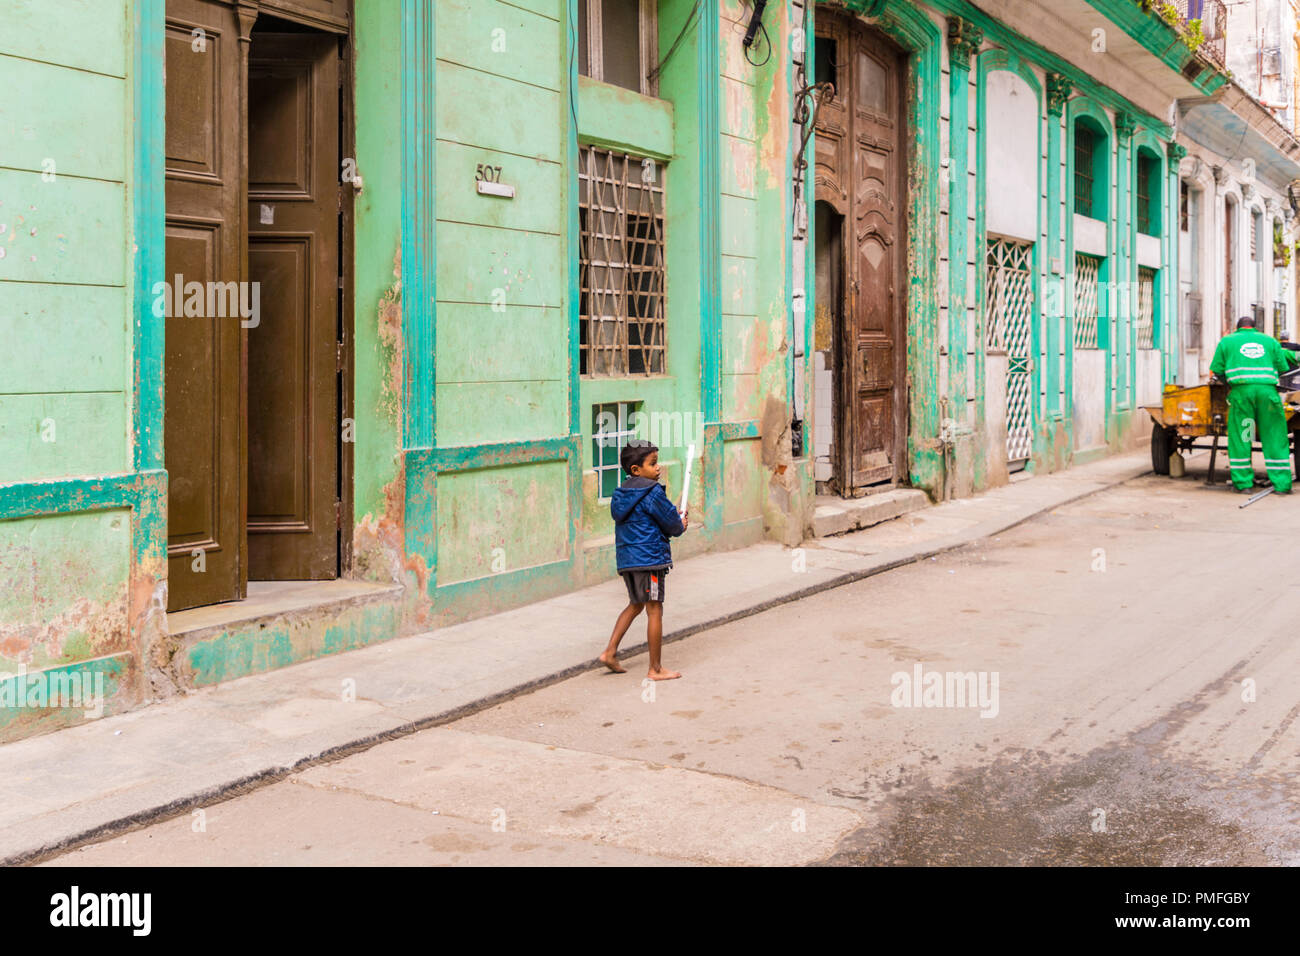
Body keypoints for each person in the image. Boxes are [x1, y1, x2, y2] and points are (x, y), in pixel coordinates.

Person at [598, 439, 688, 680]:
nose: (658, 468)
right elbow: (673, 526)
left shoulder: (621, 495)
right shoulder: (652, 492)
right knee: (655, 609)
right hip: (650, 560)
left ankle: (609, 652)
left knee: (636, 604)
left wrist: (674, 521)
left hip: (628, 560)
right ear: (636, 470)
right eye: (653, 464)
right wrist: (681, 523)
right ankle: (655, 669)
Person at [1209, 316, 1295, 494]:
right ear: (1255, 328)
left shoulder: (1227, 341)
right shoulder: (1270, 341)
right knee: (1274, 436)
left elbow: (1217, 370)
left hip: (1241, 395)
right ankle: (1282, 485)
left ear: (1237, 328)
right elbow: (1283, 367)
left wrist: (1230, 385)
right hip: (1267, 394)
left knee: (1243, 436)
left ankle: (1243, 484)